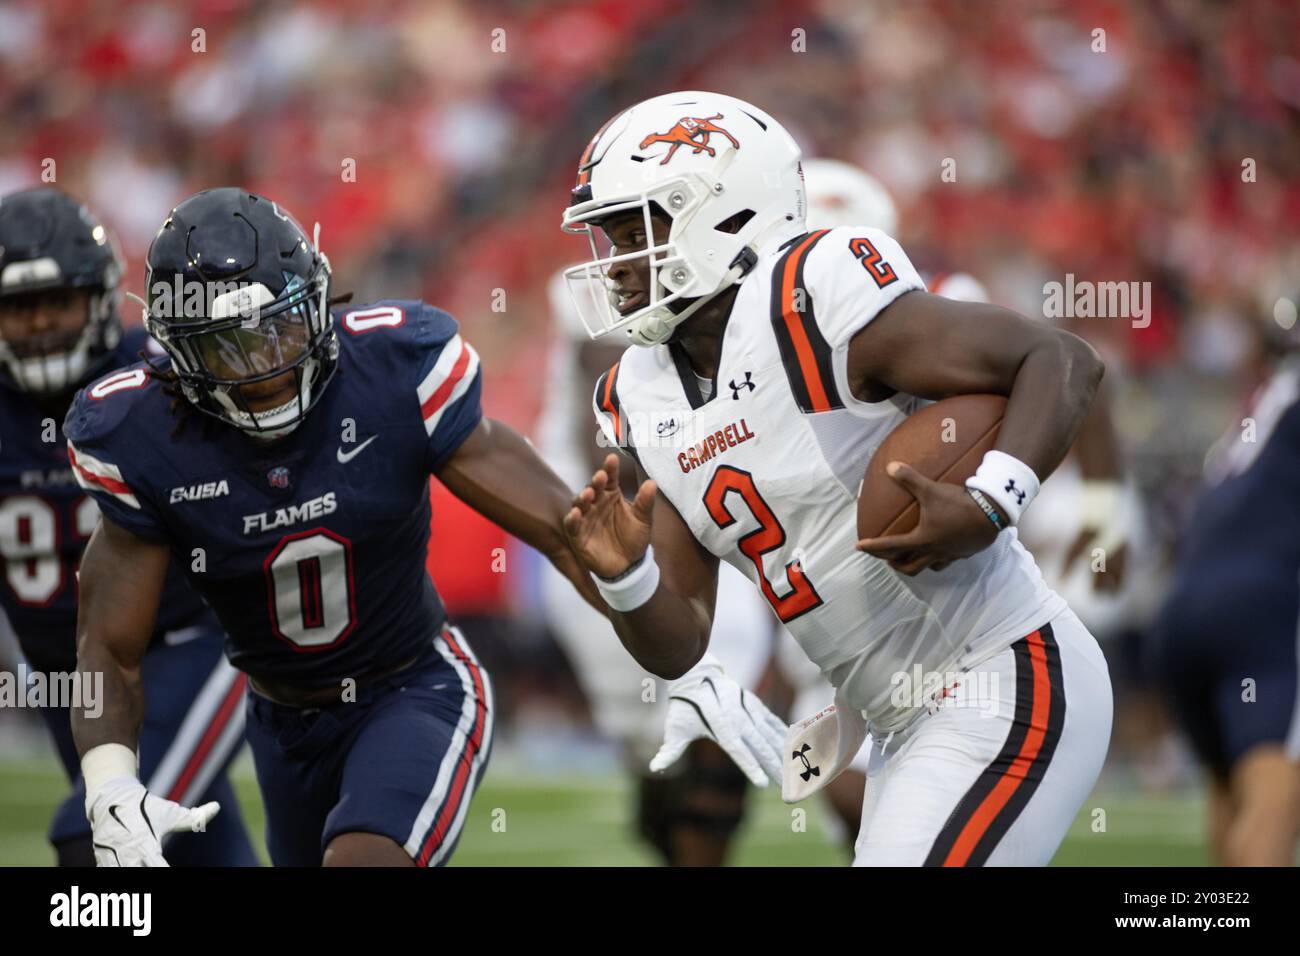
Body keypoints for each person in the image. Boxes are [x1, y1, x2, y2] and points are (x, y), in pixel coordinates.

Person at [561, 91, 1113, 866]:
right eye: (607, 237)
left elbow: (1060, 359)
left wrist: (994, 497)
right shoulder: (636, 395)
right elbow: (682, 634)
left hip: (1001, 673)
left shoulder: (810, 294)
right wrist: (624, 581)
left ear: (724, 211)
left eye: (632, 232)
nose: (614, 265)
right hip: (893, 719)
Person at [64, 187, 607, 867]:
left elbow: (564, 530)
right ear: (176, 351)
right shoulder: (138, 434)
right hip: (278, 721)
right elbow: (109, 651)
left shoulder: (393, 367)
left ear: (318, 300)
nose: (264, 364)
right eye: (229, 347)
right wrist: (111, 790)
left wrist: (640, 590)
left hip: (414, 686)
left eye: (280, 326)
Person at [0, 186, 255, 866]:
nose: (42, 323)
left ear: (103, 296)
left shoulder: (160, 379)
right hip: (68, 675)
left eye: (58, 300)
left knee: (97, 834)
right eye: (19, 309)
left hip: (195, 644)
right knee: (186, 846)